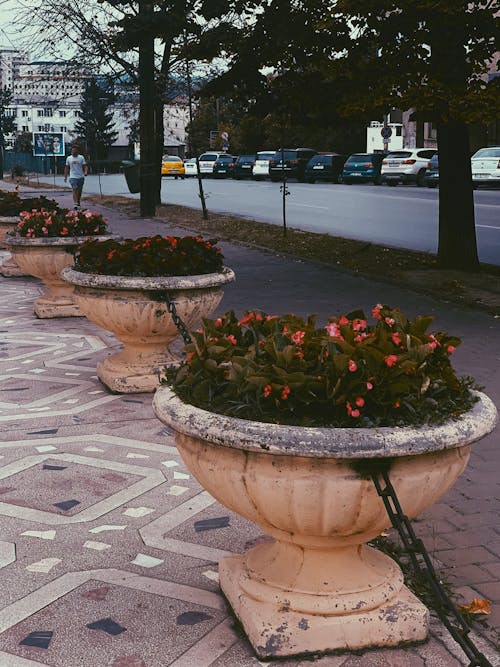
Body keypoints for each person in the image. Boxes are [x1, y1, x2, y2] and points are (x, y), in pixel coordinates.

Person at [64, 145, 88, 209]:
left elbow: (85, 166)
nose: (73, 151)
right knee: (74, 189)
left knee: (79, 191)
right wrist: (65, 177)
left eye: (75, 150)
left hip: (80, 176)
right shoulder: (68, 158)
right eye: (72, 150)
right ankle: (75, 203)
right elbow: (66, 168)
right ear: (71, 151)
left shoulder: (81, 157)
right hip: (72, 177)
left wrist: (85, 172)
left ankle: (78, 202)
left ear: (77, 151)